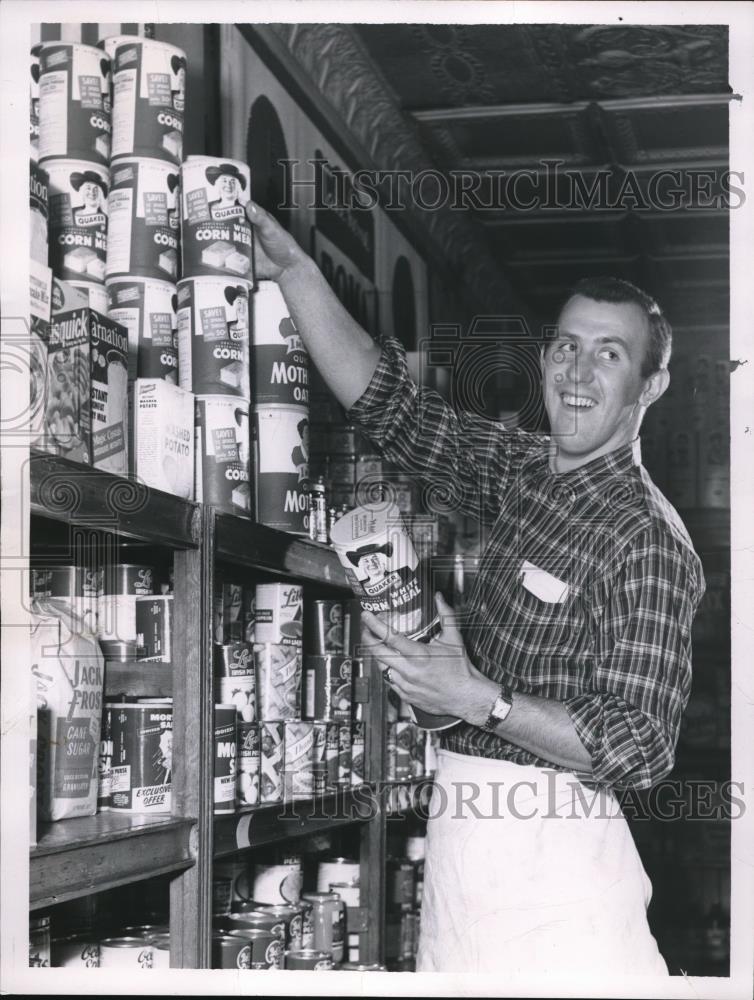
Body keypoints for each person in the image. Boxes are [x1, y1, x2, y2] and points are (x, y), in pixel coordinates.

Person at [244, 201, 705, 980]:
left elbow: (642, 745)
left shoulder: (649, 538)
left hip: (557, 872)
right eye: (566, 347)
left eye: (609, 355)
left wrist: (478, 699)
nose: (578, 373)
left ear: (650, 385)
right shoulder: (524, 468)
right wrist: (297, 275)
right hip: (467, 856)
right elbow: (395, 408)